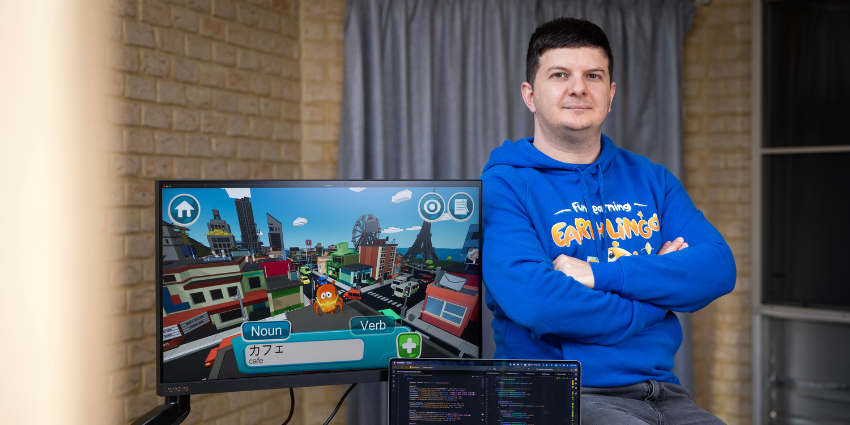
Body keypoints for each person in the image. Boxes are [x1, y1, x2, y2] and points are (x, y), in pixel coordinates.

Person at [480, 17, 736, 424]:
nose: (578, 87)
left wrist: (599, 276)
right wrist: (658, 300)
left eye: (593, 75)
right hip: (557, 393)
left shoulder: (653, 179)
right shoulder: (503, 186)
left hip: (664, 393)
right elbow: (539, 304)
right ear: (530, 95)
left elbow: (718, 269)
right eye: (560, 74)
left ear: (610, 93)